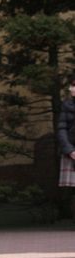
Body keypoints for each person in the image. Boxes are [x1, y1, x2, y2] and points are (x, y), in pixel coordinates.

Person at [58, 74, 75, 217]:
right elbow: (62, 128)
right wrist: (69, 149)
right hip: (72, 149)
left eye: (74, 86)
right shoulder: (66, 106)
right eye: (71, 86)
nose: (71, 89)